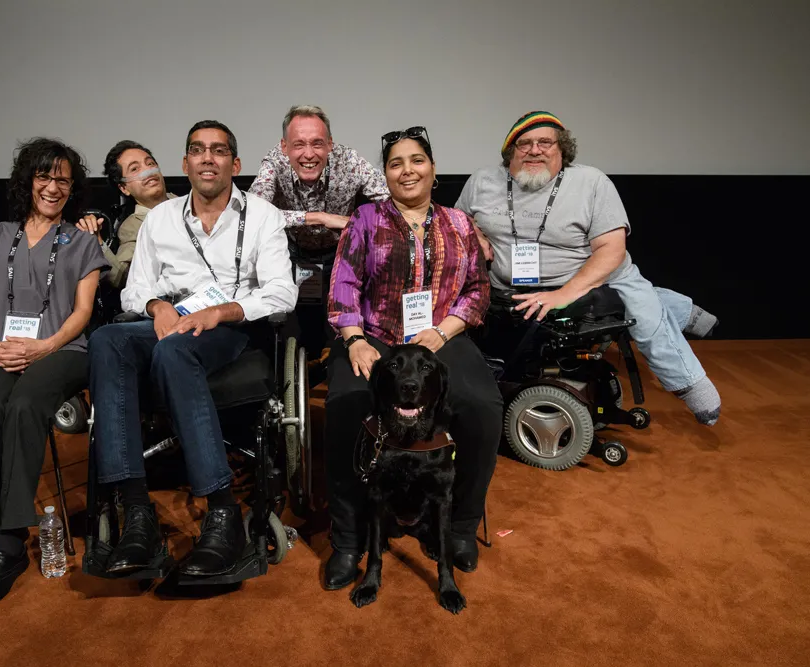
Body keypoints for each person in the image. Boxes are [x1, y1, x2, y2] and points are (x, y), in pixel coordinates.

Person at [88, 121, 297, 577]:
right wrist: (156, 305)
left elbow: (283, 293)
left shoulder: (263, 215)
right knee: (107, 340)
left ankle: (222, 512)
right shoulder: (160, 220)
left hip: (232, 326)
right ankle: (137, 514)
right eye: (198, 151)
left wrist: (222, 312)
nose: (208, 158)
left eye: (218, 151)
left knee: (174, 351)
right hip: (174, 318)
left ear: (234, 164)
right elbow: (132, 291)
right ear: (185, 164)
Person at [323, 126, 503, 591]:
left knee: (482, 406)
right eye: (396, 162)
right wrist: (354, 338)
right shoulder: (365, 220)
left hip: (439, 336)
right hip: (377, 336)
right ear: (385, 173)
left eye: (416, 159)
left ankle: (460, 528)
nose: (408, 170)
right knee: (345, 401)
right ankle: (347, 539)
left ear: (433, 168)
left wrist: (443, 331)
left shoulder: (460, 225)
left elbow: (478, 291)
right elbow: (343, 284)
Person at [456, 111, 721, 425]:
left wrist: (563, 294)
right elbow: (459, 219)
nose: (534, 150)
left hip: (594, 279)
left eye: (545, 142)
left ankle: (690, 384)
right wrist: (476, 233)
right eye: (523, 143)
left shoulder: (591, 182)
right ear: (509, 151)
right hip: (510, 287)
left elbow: (611, 250)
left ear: (562, 149)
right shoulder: (482, 181)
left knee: (647, 321)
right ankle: (679, 308)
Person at [0, 138, 107, 610]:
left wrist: (42, 346)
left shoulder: (83, 243)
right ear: (29, 181)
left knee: (24, 407)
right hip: (3, 351)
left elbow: (82, 312)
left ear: (72, 188)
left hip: (62, 350)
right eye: (45, 176)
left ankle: (5, 541)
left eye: (63, 179)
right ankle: (8, 525)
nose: (53, 186)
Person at [249, 105, 390, 360]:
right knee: (298, 329)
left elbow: (393, 207)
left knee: (340, 329)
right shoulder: (273, 162)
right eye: (298, 144)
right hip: (293, 253)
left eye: (317, 143)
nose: (308, 154)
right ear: (284, 147)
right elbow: (254, 212)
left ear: (330, 145)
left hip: (342, 254)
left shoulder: (350, 161)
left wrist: (352, 222)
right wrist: (319, 218)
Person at [76, 140, 177, 290]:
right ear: (124, 188)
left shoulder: (189, 202)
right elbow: (120, 278)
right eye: (135, 169)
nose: (147, 171)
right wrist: (98, 242)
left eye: (150, 163)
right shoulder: (133, 226)